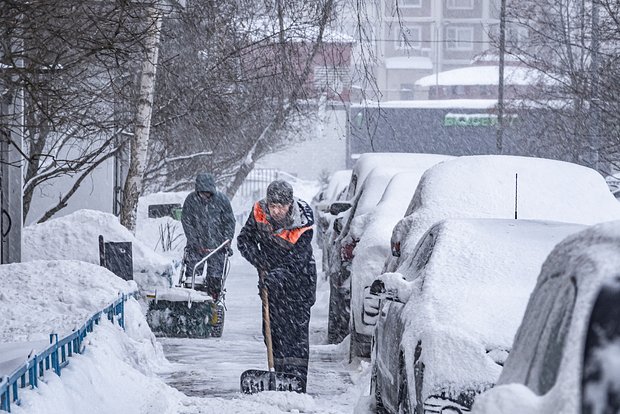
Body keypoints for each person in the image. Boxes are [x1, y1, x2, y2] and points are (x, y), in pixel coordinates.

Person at [237, 179, 317, 393]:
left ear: (290, 204)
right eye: (273, 206)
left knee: (295, 335)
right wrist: (260, 260)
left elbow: (297, 261)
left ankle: (296, 381)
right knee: (273, 330)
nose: (277, 211)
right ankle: (279, 374)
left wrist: (277, 275)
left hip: (299, 284)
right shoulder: (259, 212)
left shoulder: (302, 223)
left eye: (282, 206)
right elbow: (244, 240)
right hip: (270, 282)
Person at [181, 172, 235, 300]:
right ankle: (193, 300)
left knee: (215, 279)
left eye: (208, 193)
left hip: (217, 248)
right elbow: (186, 221)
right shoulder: (191, 200)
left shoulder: (222, 201)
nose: (205, 196)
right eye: (202, 193)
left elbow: (229, 222)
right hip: (196, 247)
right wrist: (194, 241)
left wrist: (226, 240)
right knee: (192, 278)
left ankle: (213, 301)